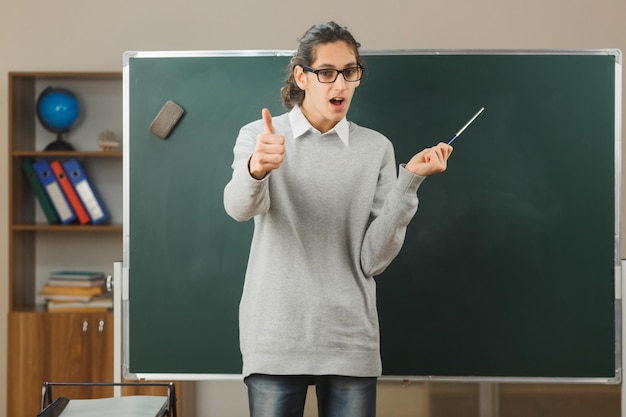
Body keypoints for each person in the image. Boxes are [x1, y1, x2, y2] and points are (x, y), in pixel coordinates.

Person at [223, 21, 453, 417]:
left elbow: (373, 260)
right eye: (327, 73)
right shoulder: (262, 137)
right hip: (276, 336)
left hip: (349, 339)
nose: (340, 85)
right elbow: (239, 208)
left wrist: (409, 183)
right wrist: (255, 168)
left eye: (350, 72)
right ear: (302, 75)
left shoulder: (376, 148)